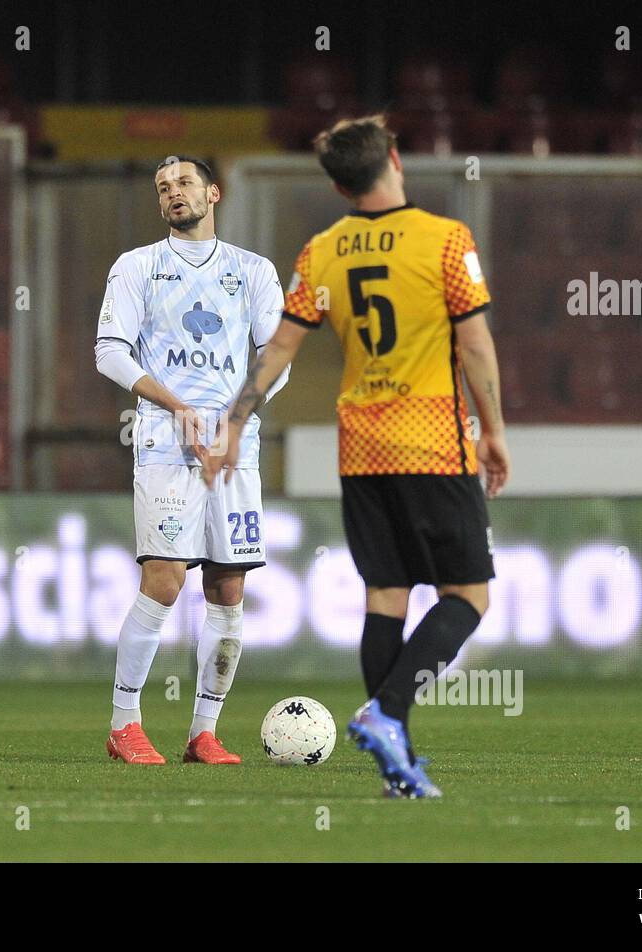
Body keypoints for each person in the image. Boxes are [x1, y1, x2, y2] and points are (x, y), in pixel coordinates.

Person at [199, 115, 510, 797]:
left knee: (387, 595)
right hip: (430, 440)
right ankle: (388, 712)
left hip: (361, 447)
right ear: (395, 159)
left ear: (339, 184)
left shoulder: (323, 251)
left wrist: (233, 420)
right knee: (468, 594)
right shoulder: (444, 239)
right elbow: (478, 345)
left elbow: (279, 347)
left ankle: (398, 769)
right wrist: (493, 429)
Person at [95, 155, 290, 765]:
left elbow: (277, 355)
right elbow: (109, 351)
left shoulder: (253, 272)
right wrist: (178, 408)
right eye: (162, 187)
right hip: (162, 439)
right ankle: (124, 723)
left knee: (227, 588)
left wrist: (232, 425)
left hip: (236, 448)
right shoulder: (138, 267)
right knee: (166, 578)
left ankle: (203, 732)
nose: (173, 193)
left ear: (214, 192)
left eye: (183, 183)